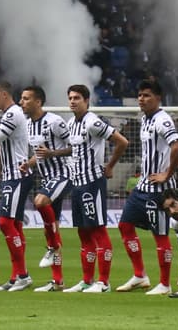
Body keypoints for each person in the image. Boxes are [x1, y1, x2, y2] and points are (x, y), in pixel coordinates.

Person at [115, 80, 178, 295]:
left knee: (160, 235)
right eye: (140, 95)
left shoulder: (162, 120)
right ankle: (139, 275)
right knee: (125, 226)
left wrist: (167, 174)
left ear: (158, 98)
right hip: (143, 186)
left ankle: (164, 284)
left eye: (146, 95)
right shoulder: (145, 119)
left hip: (159, 191)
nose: (141, 99)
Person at [62, 83, 127, 292]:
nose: (72, 101)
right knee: (83, 232)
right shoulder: (71, 122)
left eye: (77, 98)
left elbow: (122, 142)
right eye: (70, 98)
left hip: (92, 182)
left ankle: (104, 282)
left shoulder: (93, 122)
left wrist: (109, 166)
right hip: (77, 184)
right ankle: (87, 280)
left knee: (98, 230)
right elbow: (75, 150)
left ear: (87, 101)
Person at [20, 84, 71, 291]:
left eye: (25, 99)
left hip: (65, 174)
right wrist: (29, 163)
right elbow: (39, 154)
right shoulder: (28, 125)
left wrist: (53, 154)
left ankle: (53, 246)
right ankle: (58, 281)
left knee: (40, 201)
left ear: (38, 102)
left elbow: (75, 146)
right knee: (50, 227)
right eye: (21, 99)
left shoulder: (55, 122)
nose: (21, 102)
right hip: (48, 178)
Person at [0, 79, 34, 291]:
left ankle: (23, 275)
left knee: (5, 223)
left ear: (5, 95)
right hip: (12, 176)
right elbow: (0, 150)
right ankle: (16, 277)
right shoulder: (9, 115)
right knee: (14, 225)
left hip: (18, 176)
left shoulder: (13, 114)